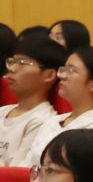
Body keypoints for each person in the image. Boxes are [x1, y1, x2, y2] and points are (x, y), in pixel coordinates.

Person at [0, 32, 64, 168]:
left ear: (49, 75)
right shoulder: (2, 111)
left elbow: (17, 172)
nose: (11, 68)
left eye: (22, 63)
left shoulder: (43, 121)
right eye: (12, 62)